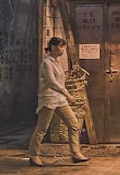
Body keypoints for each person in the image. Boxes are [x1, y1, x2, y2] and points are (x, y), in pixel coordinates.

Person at [28, 37, 90, 167]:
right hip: (49, 99)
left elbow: (60, 79)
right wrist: (68, 95)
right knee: (42, 129)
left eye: (63, 47)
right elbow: (52, 82)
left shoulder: (56, 62)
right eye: (60, 47)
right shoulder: (47, 63)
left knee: (74, 124)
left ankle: (75, 153)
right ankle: (33, 155)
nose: (62, 50)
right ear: (53, 47)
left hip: (60, 100)